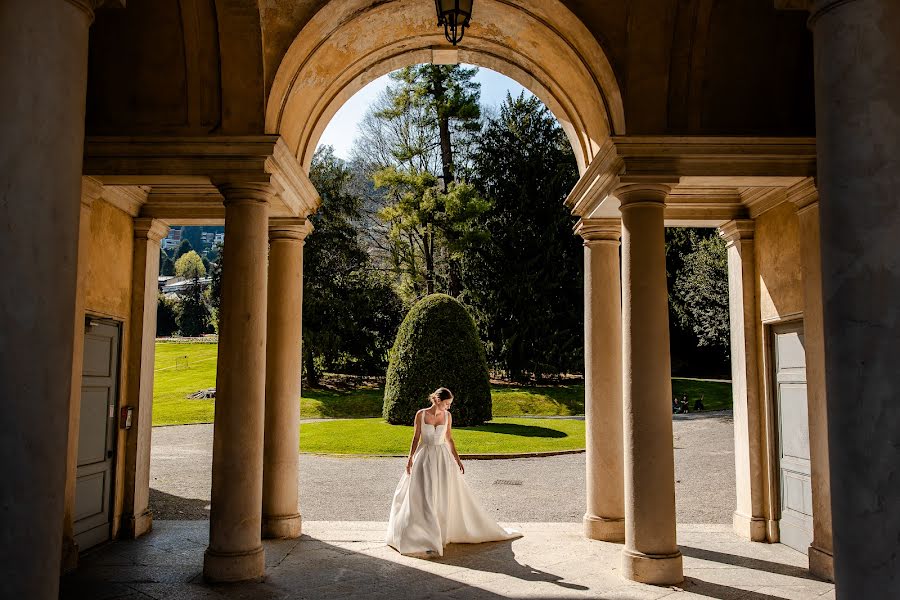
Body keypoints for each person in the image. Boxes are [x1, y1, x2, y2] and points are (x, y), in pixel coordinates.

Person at [386, 387, 521, 557]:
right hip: (424, 457)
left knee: (442, 494)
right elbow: (416, 438)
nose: (448, 407)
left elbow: (449, 439)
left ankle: (441, 532)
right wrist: (409, 458)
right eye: (447, 404)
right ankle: (424, 538)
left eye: (450, 404)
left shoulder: (448, 416)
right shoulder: (421, 414)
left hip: (442, 459)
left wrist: (457, 459)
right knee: (423, 495)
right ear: (437, 400)